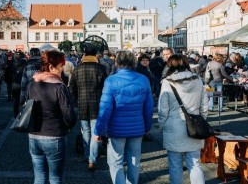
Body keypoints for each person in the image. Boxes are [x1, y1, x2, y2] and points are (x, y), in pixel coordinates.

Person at [94, 50, 153, 184]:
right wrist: (147, 127)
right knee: (134, 162)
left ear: (117, 63)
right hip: (137, 128)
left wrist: (99, 130)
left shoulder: (111, 80)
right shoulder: (143, 79)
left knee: (116, 162)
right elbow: (149, 107)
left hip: (116, 129)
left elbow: (105, 108)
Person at [24, 50, 77, 184]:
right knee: (55, 178)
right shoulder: (59, 87)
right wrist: (68, 126)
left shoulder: (32, 83)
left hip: (34, 135)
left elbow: (23, 105)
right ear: (51, 67)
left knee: (39, 176)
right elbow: (69, 115)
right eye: (61, 66)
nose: (62, 69)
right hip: (54, 135)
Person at [158, 54, 208, 184]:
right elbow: (204, 105)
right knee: (195, 164)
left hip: (174, 125)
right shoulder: (197, 80)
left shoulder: (168, 82)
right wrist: (201, 120)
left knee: (175, 165)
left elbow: (163, 109)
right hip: (194, 125)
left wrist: (162, 125)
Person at [69, 43, 107, 171]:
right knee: (96, 132)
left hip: (82, 104)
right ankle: (92, 159)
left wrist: (76, 99)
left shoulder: (78, 68)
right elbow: (105, 88)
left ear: (84, 54)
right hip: (97, 104)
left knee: (86, 131)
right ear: (95, 55)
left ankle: (87, 155)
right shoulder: (100, 68)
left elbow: (72, 87)